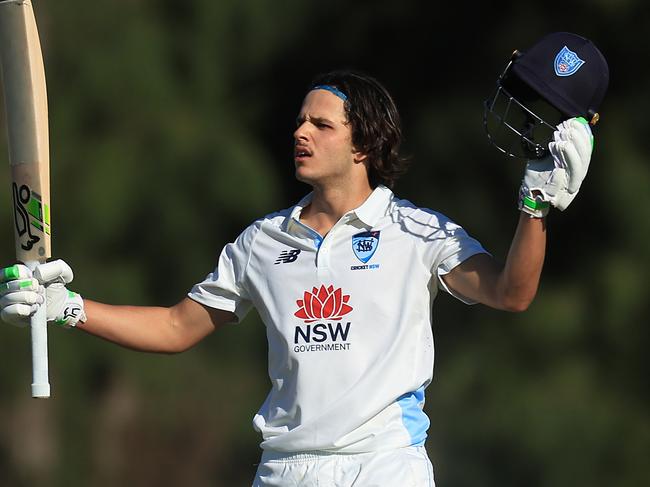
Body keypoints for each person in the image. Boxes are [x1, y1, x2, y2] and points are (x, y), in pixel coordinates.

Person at [1, 32, 606, 487]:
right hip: (285, 469)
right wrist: (67, 308)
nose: (301, 133)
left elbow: (512, 292)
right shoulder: (260, 243)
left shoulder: (417, 231)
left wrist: (535, 207)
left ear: (364, 141)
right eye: (299, 121)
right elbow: (176, 326)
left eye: (321, 124)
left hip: (383, 467)